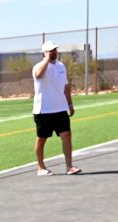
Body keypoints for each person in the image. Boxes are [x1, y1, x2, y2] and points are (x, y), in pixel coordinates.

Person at [32, 40, 80, 176]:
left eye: (55, 50)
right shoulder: (38, 67)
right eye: (50, 50)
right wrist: (46, 60)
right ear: (45, 53)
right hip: (43, 110)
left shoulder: (61, 66)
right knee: (42, 138)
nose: (54, 52)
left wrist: (70, 104)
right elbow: (39, 75)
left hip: (60, 109)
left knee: (67, 135)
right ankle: (41, 168)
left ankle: (69, 166)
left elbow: (66, 86)